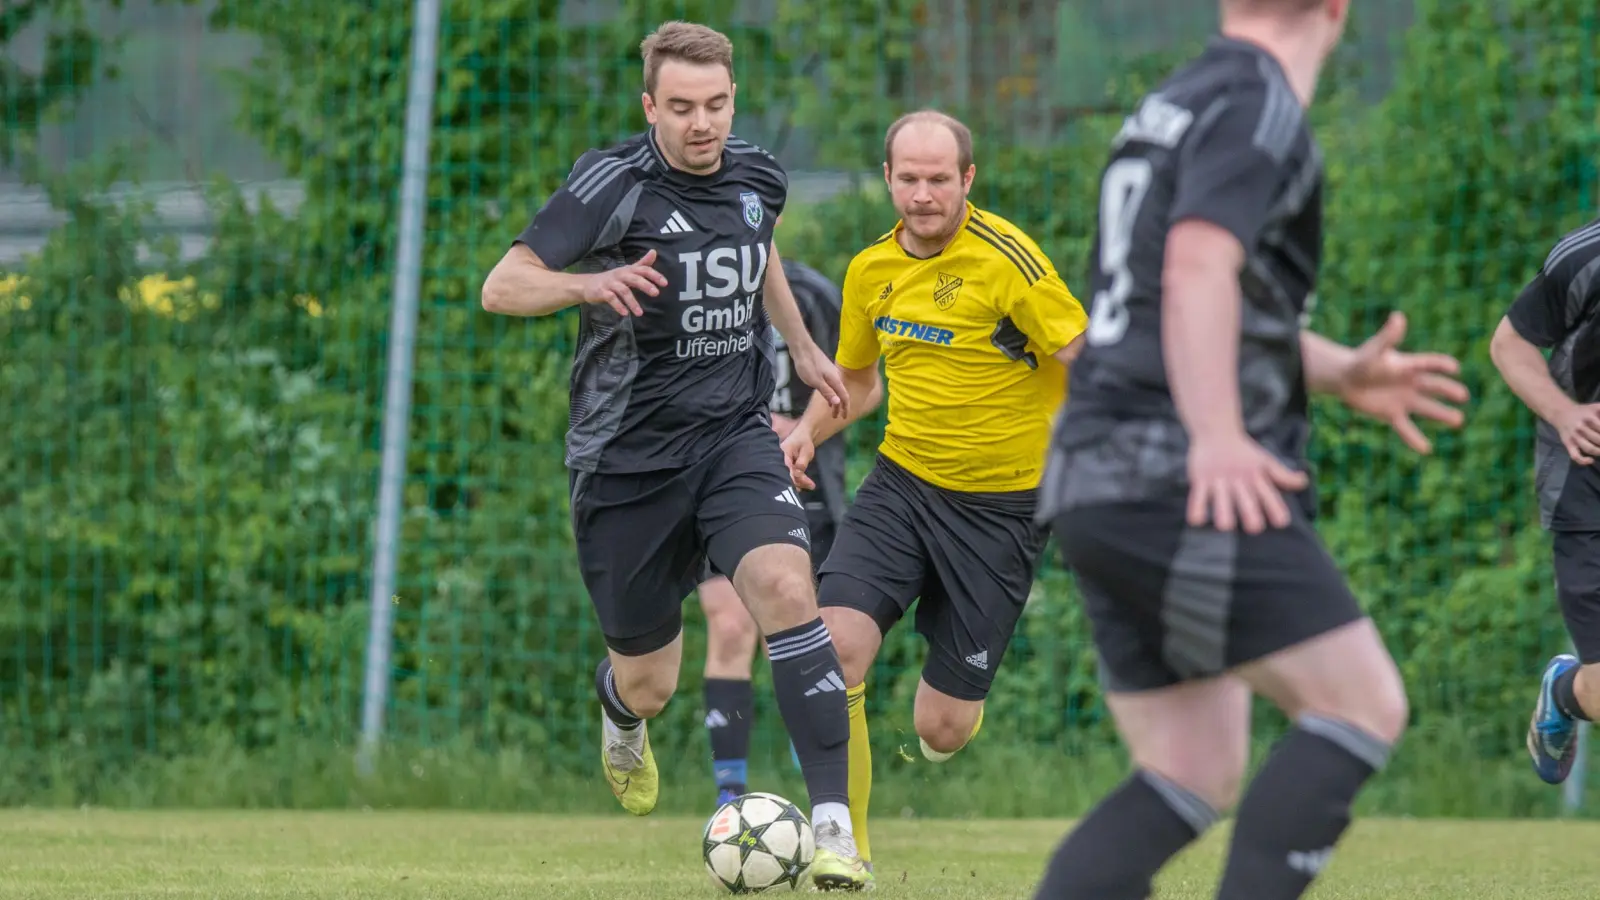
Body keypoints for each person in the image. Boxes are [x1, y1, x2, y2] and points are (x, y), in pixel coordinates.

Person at [1029, 2, 1469, 899]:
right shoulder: (1258, 100)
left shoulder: (1180, 98)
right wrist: (1220, 435)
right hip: (1172, 468)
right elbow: (1196, 268)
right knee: (1362, 703)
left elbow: (1178, 301)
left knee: (1189, 768)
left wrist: (1339, 371)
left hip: (1094, 470)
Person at [478, 21, 870, 889]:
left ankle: (837, 829)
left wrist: (803, 351)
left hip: (735, 437)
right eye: (683, 108)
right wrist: (588, 282)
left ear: (734, 98)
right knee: (652, 681)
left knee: (787, 592)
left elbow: (759, 248)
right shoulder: (610, 185)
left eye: (718, 105)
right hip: (626, 464)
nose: (704, 124)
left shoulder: (759, 172)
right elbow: (502, 285)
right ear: (649, 105)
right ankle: (620, 708)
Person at [780, 109, 1088, 884]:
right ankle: (842, 845)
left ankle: (953, 709)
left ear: (968, 181)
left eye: (938, 179)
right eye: (908, 178)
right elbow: (856, 380)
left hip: (1004, 511)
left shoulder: (1009, 262)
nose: (922, 195)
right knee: (835, 647)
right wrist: (809, 430)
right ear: (887, 178)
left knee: (941, 729)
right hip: (902, 485)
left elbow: (1087, 361)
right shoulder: (869, 272)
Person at [698, 256, 854, 808]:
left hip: (806, 482)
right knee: (731, 626)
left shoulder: (816, 295)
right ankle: (729, 799)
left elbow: (864, 386)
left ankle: (821, 778)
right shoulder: (702, 285)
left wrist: (804, 428)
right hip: (723, 480)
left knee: (810, 636)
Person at [1488, 216, 1600, 785]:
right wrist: (1565, 413)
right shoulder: (1587, 256)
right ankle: (1564, 689)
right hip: (1588, 483)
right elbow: (1510, 343)